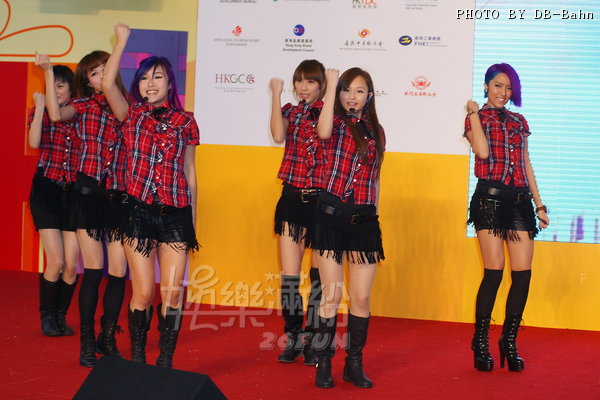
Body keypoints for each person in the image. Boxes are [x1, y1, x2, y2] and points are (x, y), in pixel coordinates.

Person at [102, 23, 199, 368]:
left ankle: (166, 360)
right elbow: (106, 83)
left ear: (170, 83)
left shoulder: (186, 121)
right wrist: (122, 42)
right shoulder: (130, 115)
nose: (151, 83)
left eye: (158, 77)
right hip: (138, 212)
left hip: (176, 214)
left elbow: (190, 172)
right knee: (143, 292)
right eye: (144, 78)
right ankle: (139, 359)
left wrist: (193, 218)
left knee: (172, 291)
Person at [36, 52, 129, 367]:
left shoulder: (127, 109)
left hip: (118, 198)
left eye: (105, 69)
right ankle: (87, 342)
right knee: (92, 271)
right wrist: (48, 72)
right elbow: (55, 113)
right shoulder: (83, 106)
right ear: (87, 82)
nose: (101, 76)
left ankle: (107, 337)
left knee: (118, 272)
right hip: (88, 196)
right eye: (94, 73)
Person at [464, 63, 549, 372]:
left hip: (520, 202)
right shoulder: (476, 118)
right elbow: (482, 153)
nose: (503, 92)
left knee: (523, 274)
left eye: (508, 87)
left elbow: (526, 163)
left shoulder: (518, 121)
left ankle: (508, 341)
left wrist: (539, 205)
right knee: (494, 272)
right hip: (489, 200)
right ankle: (481, 341)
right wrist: (474, 114)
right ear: (486, 86)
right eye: (498, 85)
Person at [311, 68, 385, 389]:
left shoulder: (377, 131)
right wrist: (330, 86)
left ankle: (354, 363)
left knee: (362, 297)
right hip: (330, 219)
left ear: (370, 95)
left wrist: (375, 215)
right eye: (346, 90)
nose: (352, 97)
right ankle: (324, 361)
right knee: (332, 294)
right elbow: (323, 131)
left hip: (364, 222)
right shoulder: (333, 122)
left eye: (359, 91)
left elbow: (376, 178)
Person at [269, 59, 326, 365]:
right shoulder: (290, 111)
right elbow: (278, 135)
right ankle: (293, 336)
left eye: (311, 81)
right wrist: (276, 95)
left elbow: (326, 135)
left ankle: (315, 341)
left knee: (318, 277)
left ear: (321, 85)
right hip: (292, 199)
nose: (304, 87)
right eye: (300, 81)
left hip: (321, 202)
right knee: (290, 276)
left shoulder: (330, 114)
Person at [29, 64, 80, 337]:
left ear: (71, 89)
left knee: (71, 265)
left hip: (73, 195)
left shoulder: (80, 113)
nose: (56, 90)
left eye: (61, 85)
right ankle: (47, 316)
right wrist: (40, 109)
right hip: (46, 192)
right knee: (57, 261)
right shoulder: (40, 112)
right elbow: (34, 142)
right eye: (53, 85)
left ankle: (61, 315)